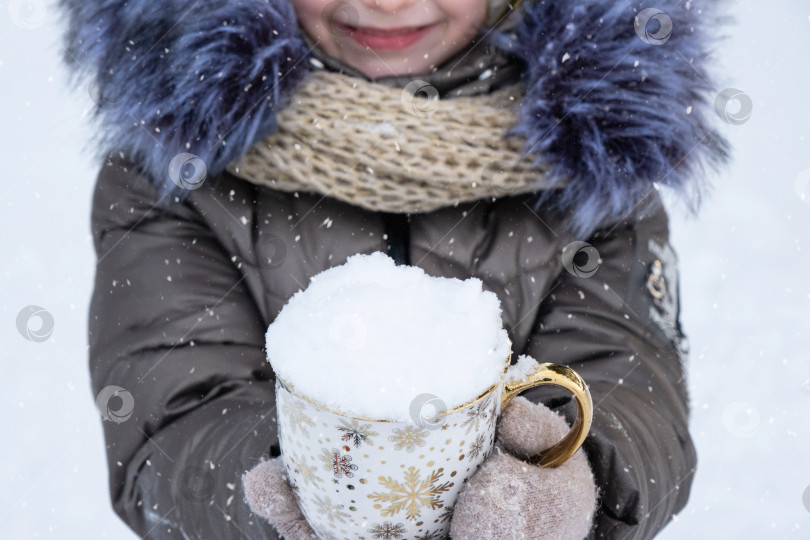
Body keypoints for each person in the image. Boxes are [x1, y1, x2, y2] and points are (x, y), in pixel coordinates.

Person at [57, 0, 731, 538]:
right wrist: (278, 495)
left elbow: (626, 376)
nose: (384, 3)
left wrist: (575, 479)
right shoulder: (172, 164)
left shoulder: (601, 159)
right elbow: (172, 418)